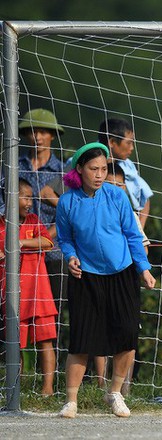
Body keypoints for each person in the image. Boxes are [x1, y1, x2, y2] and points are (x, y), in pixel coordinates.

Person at [56, 142, 156, 419]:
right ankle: (71, 401)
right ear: (79, 169)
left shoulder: (116, 196)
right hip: (85, 276)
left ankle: (115, 393)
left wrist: (143, 269)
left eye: (103, 169)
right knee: (82, 339)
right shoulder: (67, 201)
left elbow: (133, 235)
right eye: (93, 169)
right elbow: (64, 239)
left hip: (122, 273)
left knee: (126, 334)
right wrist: (71, 256)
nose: (99, 174)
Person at [92, 163, 152, 394]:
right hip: (96, 276)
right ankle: (100, 384)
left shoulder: (130, 214)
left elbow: (143, 248)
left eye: (120, 185)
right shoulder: (90, 208)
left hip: (124, 278)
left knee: (127, 332)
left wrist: (125, 252)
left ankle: (123, 387)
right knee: (98, 331)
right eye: (110, 184)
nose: (115, 188)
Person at [1, 109, 67, 320]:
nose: (37, 137)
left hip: (54, 254)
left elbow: (67, 215)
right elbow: (3, 205)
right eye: (32, 132)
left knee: (50, 318)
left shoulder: (63, 172)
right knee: (13, 315)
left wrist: (44, 236)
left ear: (53, 135)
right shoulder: (13, 167)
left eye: (42, 132)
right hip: (17, 254)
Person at [0, 178, 58, 396]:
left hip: (39, 292)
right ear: (9, 198)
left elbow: (48, 242)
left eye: (31, 198)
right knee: (15, 344)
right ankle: (16, 389)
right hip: (13, 295)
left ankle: (47, 389)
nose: (29, 202)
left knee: (46, 339)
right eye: (25, 197)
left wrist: (21, 243)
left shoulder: (34, 221)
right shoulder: (1, 224)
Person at [98, 118, 153, 229]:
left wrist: (139, 230)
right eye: (128, 143)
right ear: (112, 142)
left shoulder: (127, 167)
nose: (132, 148)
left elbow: (144, 198)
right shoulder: (84, 163)